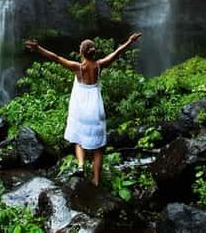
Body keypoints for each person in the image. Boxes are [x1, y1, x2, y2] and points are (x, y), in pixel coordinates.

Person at [24, 33, 142, 186]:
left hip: (80, 109)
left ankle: (80, 166)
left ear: (82, 52)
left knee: (78, 138)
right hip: (96, 107)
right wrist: (129, 41)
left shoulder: (78, 67)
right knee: (99, 148)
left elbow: (56, 58)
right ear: (92, 51)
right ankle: (96, 180)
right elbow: (117, 53)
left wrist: (38, 48)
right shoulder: (100, 65)